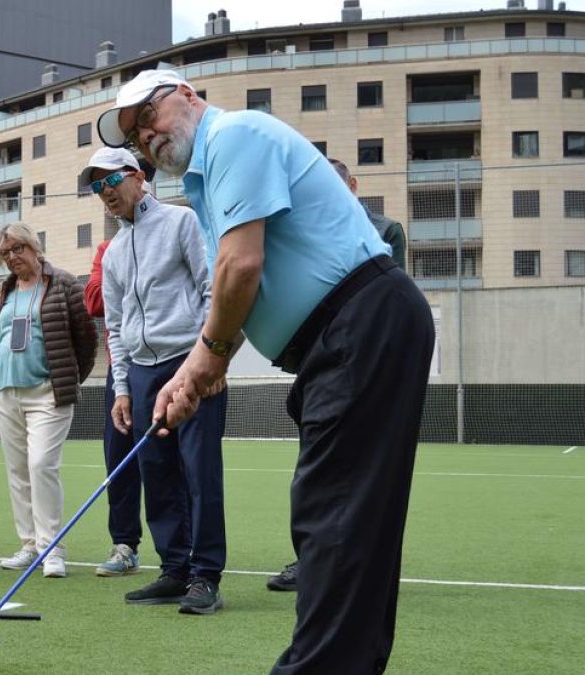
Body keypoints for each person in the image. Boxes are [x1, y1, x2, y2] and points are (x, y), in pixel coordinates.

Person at [98, 69, 434, 672]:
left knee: (331, 518)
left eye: (147, 116)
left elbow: (238, 268)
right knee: (349, 524)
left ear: (188, 96)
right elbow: (237, 284)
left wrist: (204, 361)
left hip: (361, 323)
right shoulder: (206, 183)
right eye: (133, 137)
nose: (145, 137)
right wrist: (196, 371)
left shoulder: (235, 136)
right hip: (342, 339)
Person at [82, 145, 229, 614]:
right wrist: (122, 388)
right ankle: (174, 569)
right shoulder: (113, 252)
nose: (103, 192)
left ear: (137, 176)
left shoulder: (182, 222)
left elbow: (212, 290)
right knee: (157, 472)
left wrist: (213, 361)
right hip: (142, 373)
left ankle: (205, 575)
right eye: (95, 186)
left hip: (189, 359)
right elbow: (117, 326)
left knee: (199, 470)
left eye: (109, 181)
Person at [266, 156, 410, 592]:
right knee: (315, 469)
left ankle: (366, 565)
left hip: (367, 363)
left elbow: (391, 296)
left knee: (369, 469)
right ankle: (310, 560)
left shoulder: (384, 230)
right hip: (319, 365)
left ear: (352, 185)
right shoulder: (305, 231)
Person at [0, 223, 96, 579]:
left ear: (34, 246)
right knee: (18, 471)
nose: (13, 258)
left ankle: (52, 548)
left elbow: (86, 340)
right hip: (7, 390)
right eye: (6, 254)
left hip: (47, 392)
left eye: (18, 249)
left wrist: (66, 378)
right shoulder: (3, 291)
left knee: (41, 465)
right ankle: (29, 544)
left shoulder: (63, 284)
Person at [84, 237, 140, 577]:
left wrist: (125, 285)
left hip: (173, 361)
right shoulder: (109, 249)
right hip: (122, 368)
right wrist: (143, 284)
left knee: (175, 458)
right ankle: (124, 544)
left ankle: (185, 548)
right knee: (119, 458)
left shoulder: (176, 231)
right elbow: (93, 300)